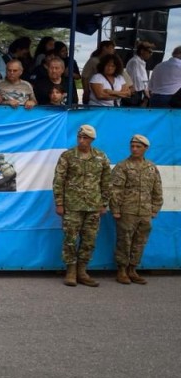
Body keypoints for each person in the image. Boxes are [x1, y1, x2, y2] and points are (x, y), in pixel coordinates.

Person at [52, 124, 111, 287]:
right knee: (70, 239)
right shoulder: (68, 156)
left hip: (93, 206)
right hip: (72, 205)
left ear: (92, 139)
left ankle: (82, 270)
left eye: (85, 138)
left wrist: (104, 203)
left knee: (89, 240)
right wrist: (59, 203)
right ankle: (70, 270)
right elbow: (59, 181)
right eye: (79, 137)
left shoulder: (101, 157)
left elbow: (106, 181)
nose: (81, 140)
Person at [109, 134, 163, 285]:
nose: (134, 149)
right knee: (124, 241)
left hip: (145, 211)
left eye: (138, 147)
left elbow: (157, 189)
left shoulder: (151, 167)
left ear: (145, 148)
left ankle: (132, 269)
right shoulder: (123, 166)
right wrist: (116, 209)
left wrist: (155, 208)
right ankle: (121, 270)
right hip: (127, 211)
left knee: (140, 241)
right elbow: (115, 190)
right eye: (132, 146)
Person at [124, 42, 154, 106]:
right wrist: (146, 94)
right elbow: (137, 79)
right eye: (149, 52)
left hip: (139, 91)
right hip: (135, 92)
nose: (150, 54)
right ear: (142, 51)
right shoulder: (135, 62)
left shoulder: (141, 62)